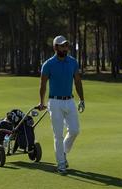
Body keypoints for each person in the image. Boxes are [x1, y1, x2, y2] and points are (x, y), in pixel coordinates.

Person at [38, 35, 85, 174]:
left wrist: (82, 99)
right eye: (62, 45)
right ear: (55, 47)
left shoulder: (72, 62)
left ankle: (63, 152)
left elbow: (77, 81)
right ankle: (61, 164)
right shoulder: (48, 64)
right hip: (55, 102)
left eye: (66, 45)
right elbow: (43, 84)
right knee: (58, 134)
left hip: (69, 101)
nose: (65, 48)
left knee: (75, 130)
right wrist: (42, 102)